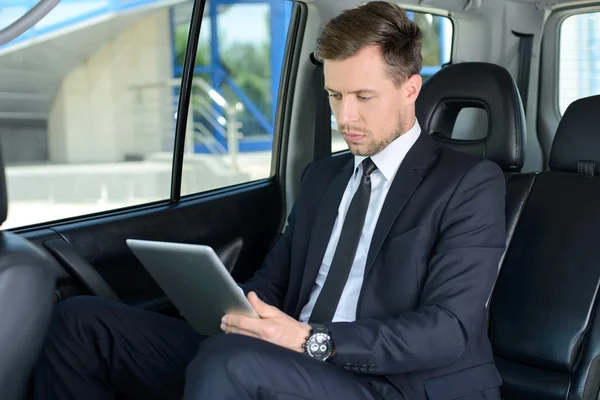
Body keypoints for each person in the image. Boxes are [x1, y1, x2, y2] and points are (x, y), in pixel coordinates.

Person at [31, 2, 506, 399]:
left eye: (364, 96)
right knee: (82, 323)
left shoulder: (468, 183)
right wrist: (241, 307)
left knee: (231, 366)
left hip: (391, 384)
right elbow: (274, 282)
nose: (346, 116)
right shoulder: (323, 177)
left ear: (411, 89)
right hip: (288, 357)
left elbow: (447, 329)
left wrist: (312, 339)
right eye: (335, 96)